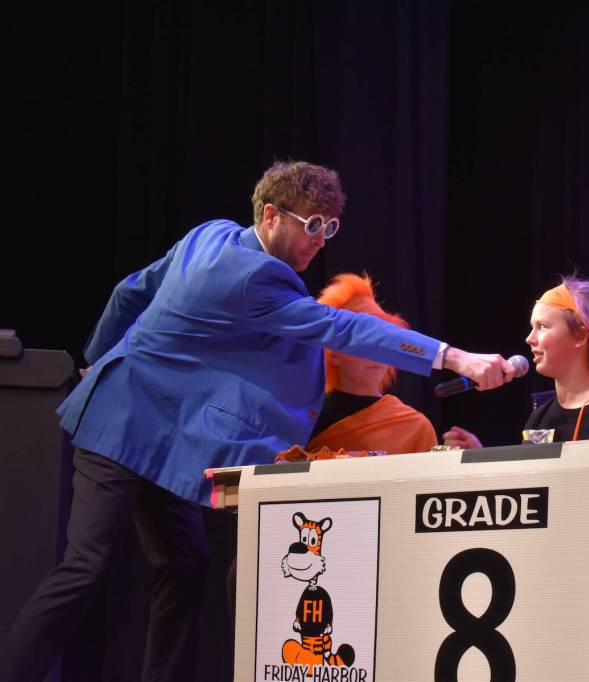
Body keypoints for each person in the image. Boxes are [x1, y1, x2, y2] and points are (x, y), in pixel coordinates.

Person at [0, 160, 512, 682]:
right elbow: (341, 328)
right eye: (312, 225)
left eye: (330, 227)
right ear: (271, 215)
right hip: (121, 427)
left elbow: (130, 291)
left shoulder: (211, 234)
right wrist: (454, 357)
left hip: (156, 430)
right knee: (87, 566)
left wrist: (97, 358)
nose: (320, 240)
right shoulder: (257, 279)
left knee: (183, 563)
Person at [442, 276, 589, 448]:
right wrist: (480, 457)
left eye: (542, 326)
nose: (529, 338)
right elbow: (531, 484)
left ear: (580, 336)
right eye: (532, 327)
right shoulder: (540, 417)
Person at [305, 272, 437, 455]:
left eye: (382, 341)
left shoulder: (415, 427)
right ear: (333, 353)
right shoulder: (305, 419)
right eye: (364, 341)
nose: (376, 354)